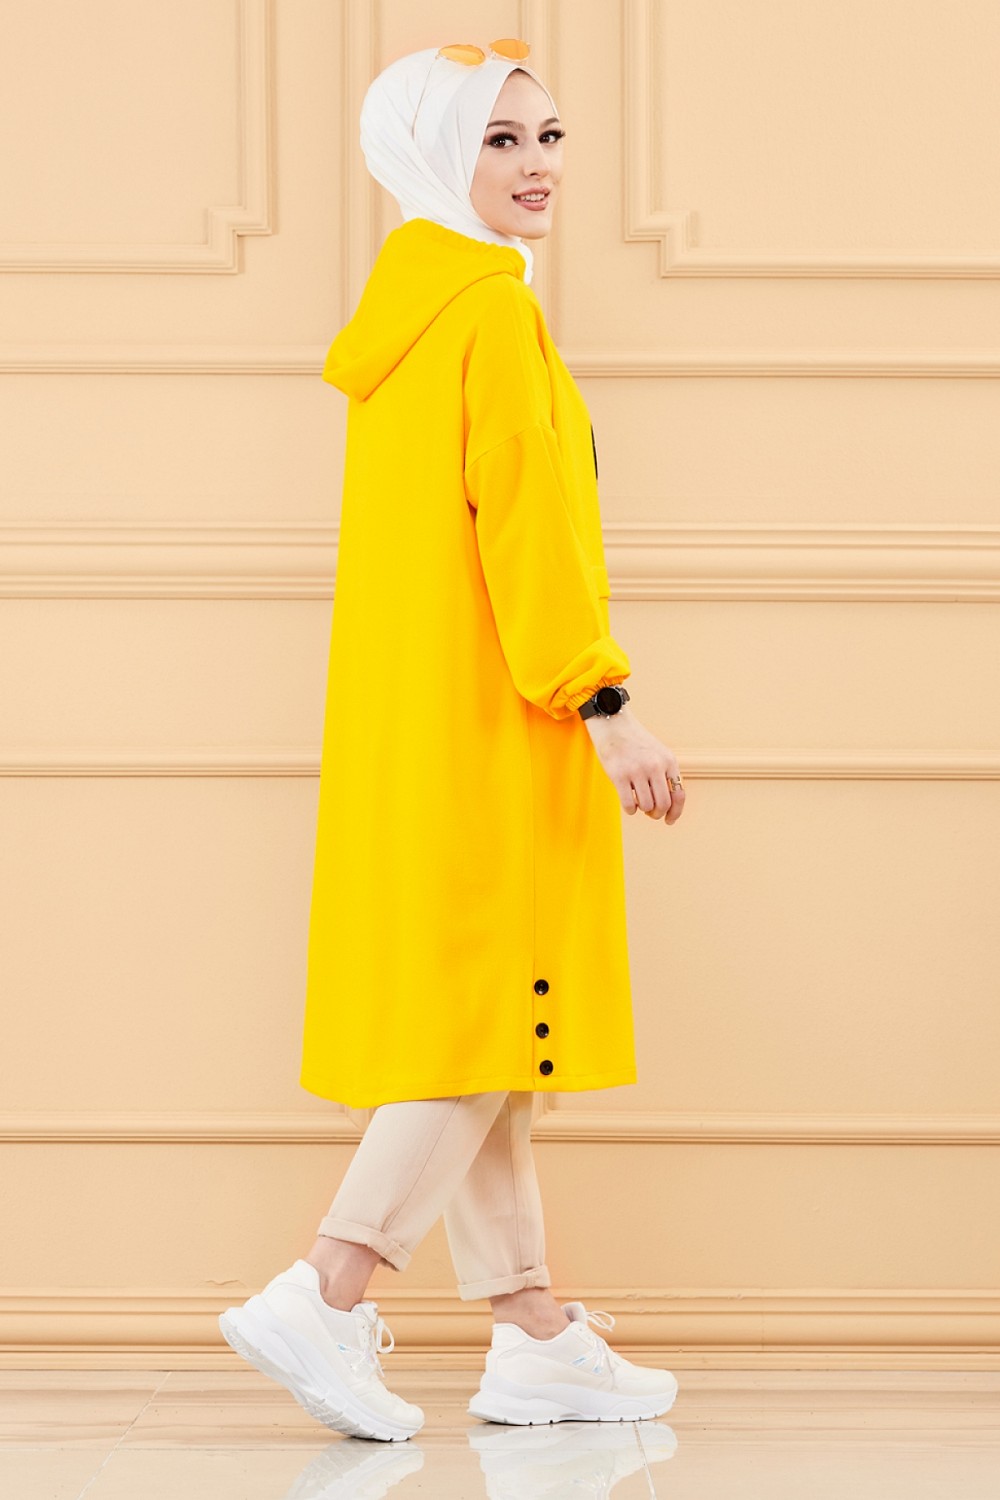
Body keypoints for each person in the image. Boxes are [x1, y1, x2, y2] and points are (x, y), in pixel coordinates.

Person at [219, 38, 686, 1443]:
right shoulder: (487, 313)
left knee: (494, 1023)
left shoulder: (411, 312)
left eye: (549, 136)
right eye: (499, 140)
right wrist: (602, 702)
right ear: (434, 157)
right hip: (499, 720)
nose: (538, 166)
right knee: (491, 1018)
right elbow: (525, 525)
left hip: (413, 719)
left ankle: (532, 1329)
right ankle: (329, 1286)